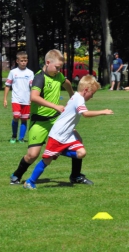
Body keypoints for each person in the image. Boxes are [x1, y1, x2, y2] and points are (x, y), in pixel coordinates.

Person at [10, 49, 92, 185]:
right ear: (48, 63)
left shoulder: (58, 76)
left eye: (61, 68)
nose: (59, 70)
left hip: (55, 120)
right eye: (57, 67)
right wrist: (55, 106)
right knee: (32, 155)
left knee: (78, 140)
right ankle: (16, 175)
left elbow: (67, 83)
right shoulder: (39, 77)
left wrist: (73, 96)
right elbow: (34, 97)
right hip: (39, 122)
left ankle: (76, 176)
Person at [23, 75, 114, 189]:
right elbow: (85, 114)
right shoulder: (79, 99)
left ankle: (61, 153)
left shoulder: (76, 96)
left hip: (67, 134)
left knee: (81, 153)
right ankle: (30, 182)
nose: (92, 97)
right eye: (92, 93)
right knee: (47, 160)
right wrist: (103, 111)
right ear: (86, 90)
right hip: (58, 135)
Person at [3, 51, 34, 143]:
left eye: (25, 60)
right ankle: (13, 136)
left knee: (24, 119)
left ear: (27, 61)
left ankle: (21, 139)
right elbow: (8, 85)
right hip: (16, 99)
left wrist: (31, 98)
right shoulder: (13, 72)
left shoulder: (30, 73)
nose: (24, 62)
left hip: (26, 100)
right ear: (17, 61)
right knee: (16, 116)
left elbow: (32, 87)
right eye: (22, 60)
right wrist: (5, 99)